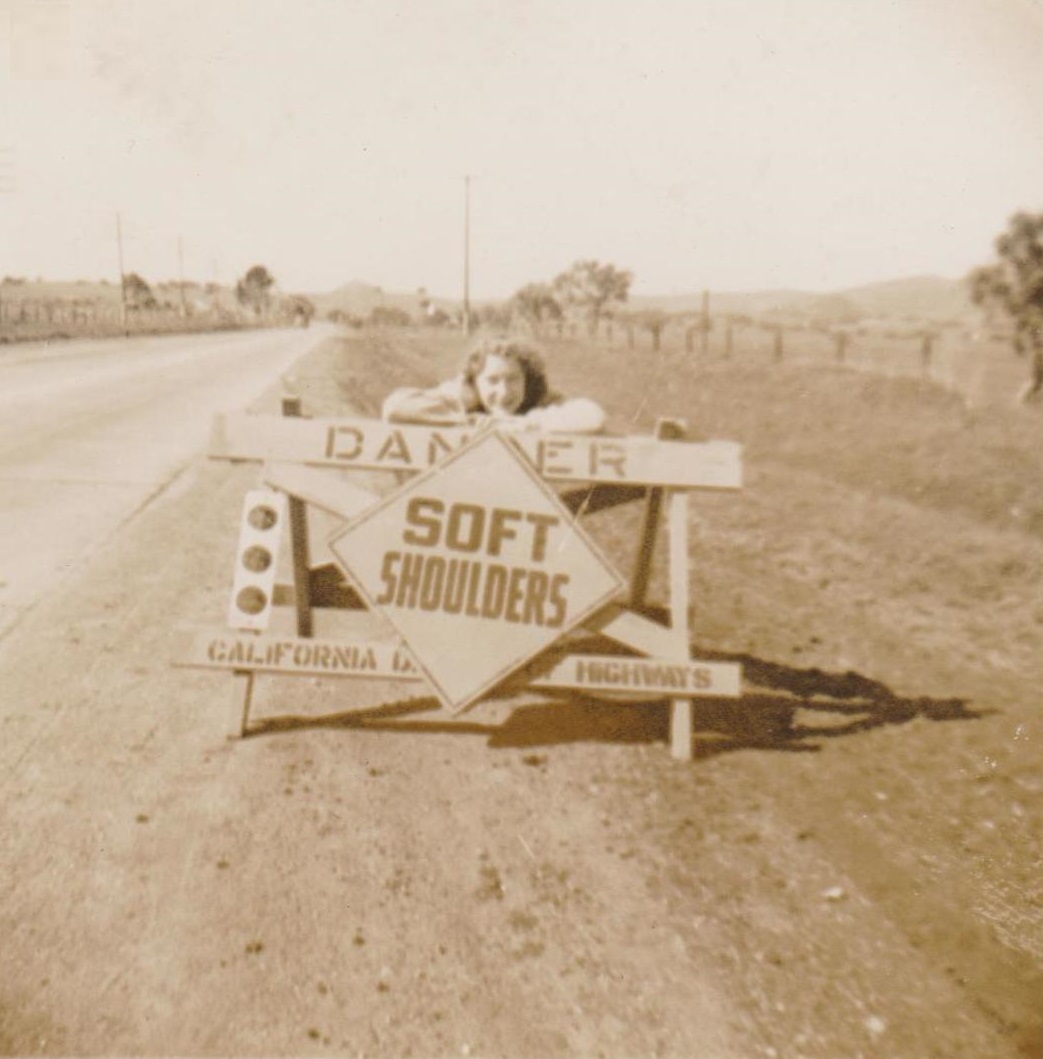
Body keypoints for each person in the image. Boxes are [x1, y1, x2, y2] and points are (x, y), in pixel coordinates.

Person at [381, 336, 606, 434]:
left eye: (513, 379)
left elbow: (593, 416)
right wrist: (475, 419)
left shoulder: (537, 397)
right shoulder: (463, 393)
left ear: (527, 379)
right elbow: (395, 406)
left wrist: (527, 424)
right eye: (492, 380)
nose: (503, 392)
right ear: (474, 380)